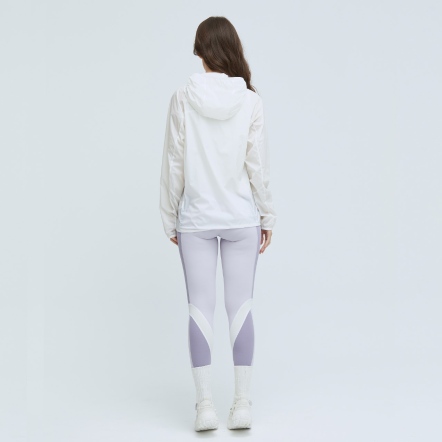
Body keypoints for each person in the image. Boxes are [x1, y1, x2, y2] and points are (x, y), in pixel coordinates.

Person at [159, 16, 277, 432]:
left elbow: (174, 161)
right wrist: (267, 214)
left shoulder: (182, 97)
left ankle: (205, 407)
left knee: (200, 308)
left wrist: (169, 217)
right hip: (242, 218)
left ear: (201, 52)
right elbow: (257, 166)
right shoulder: (250, 100)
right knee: (240, 306)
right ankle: (242, 404)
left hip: (195, 219)